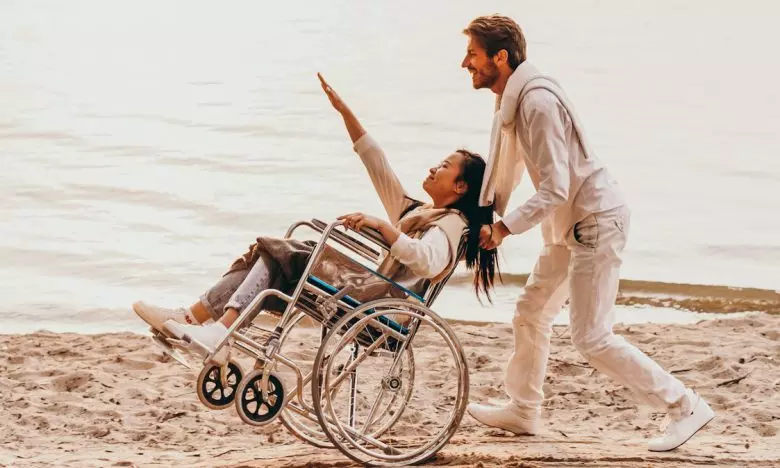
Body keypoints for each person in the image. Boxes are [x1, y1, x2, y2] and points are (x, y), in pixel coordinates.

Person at [460, 15, 714, 452]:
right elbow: (518, 167)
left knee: (591, 336)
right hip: (568, 226)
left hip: (595, 220)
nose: (465, 63)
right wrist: (484, 211)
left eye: (473, 54)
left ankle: (684, 405)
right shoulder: (514, 103)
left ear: (500, 57)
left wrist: (503, 228)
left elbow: (556, 185)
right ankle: (523, 410)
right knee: (531, 311)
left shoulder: (536, 104)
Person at [133, 73, 498, 352]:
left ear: (460, 186)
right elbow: (376, 163)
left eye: (444, 166)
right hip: (367, 294)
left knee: (288, 250)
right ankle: (193, 319)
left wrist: (382, 227)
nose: (434, 168)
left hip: (382, 308)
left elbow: (428, 263)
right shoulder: (418, 213)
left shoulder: (452, 224)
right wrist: (345, 112)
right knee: (272, 252)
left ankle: (220, 330)